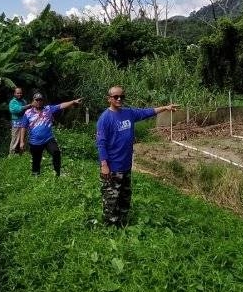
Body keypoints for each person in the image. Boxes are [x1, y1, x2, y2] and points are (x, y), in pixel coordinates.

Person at [96, 86, 177, 226]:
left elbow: (147, 112)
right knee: (111, 200)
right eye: (116, 97)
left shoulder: (128, 113)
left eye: (122, 96)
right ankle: (109, 229)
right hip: (113, 167)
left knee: (124, 197)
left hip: (126, 166)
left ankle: (122, 224)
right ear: (109, 99)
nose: (119, 99)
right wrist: (104, 165)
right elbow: (101, 143)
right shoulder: (105, 119)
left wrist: (165, 107)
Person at [21, 91, 83, 177]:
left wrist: (73, 102)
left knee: (56, 152)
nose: (39, 102)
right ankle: (35, 175)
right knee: (36, 159)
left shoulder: (48, 109)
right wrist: (22, 141)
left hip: (48, 139)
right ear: (33, 101)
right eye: (37, 100)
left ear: (43, 101)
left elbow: (61, 105)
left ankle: (57, 173)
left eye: (40, 100)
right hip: (35, 142)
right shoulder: (28, 113)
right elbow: (23, 127)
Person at [8, 87, 28, 154]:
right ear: (14, 93)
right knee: (15, 138)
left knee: (24, 137)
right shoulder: (12, 102)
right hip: (16, 122)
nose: (19, 94)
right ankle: (12, 153)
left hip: (24, 122)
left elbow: (27, 111)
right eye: (18, 93)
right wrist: (26, 106)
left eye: (20, 93)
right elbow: (15, 110)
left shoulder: (24, 101)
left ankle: (22, 152)